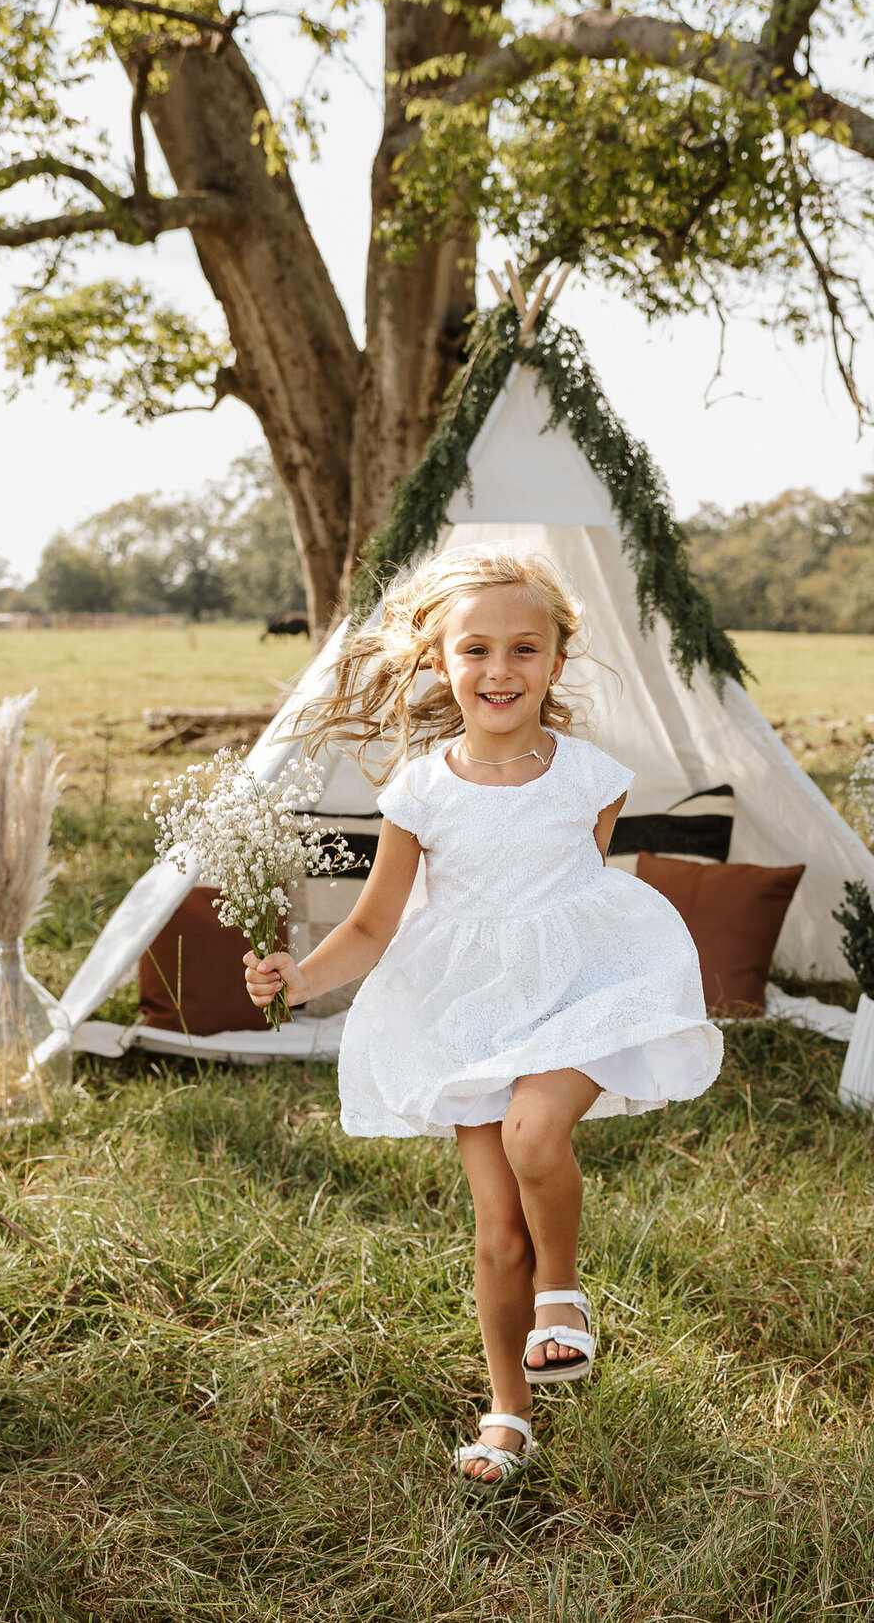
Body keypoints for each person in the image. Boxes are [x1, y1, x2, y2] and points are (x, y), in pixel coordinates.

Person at [244, 545, 721, 1490]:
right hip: (467, 1011)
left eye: (524, 650)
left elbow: (572, 895)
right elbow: (376, 925)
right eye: (477, 651)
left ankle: (564, 1296)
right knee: (496, 1225)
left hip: (583, 991)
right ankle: (509, 1409)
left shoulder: (592, 776)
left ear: (554, 660)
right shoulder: (418, 792)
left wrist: (568, 974)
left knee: (535, 1129)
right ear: (439, 663)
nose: (500, 671)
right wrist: (297, 979)